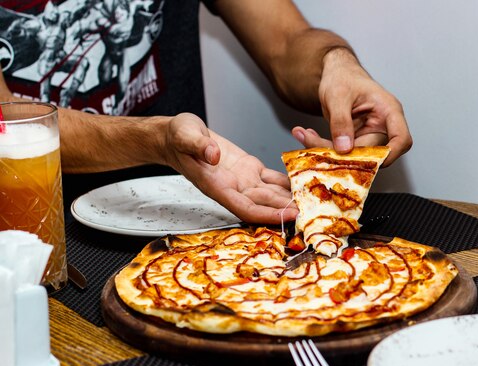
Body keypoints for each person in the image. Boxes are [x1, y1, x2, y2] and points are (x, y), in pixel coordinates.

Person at [0, 0, 412, 224]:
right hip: (31, 234)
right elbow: (7, 120)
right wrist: (157, 139)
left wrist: (336, 65)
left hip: (198, 217)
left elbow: (287, 42)